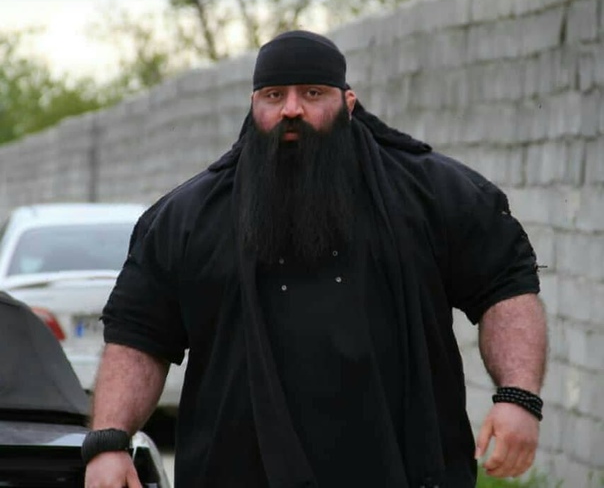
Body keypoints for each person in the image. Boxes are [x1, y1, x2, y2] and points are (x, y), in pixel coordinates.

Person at [83, 30, 547, 488]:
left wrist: (518, 396)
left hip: (405, 469)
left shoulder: (431, 194)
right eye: (274, 95)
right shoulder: (188, 218)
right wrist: (109, 442)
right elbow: (139, 335)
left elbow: (504, 286)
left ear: (348, 103)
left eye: (312, 93)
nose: (291, 109)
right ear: (253, 105)